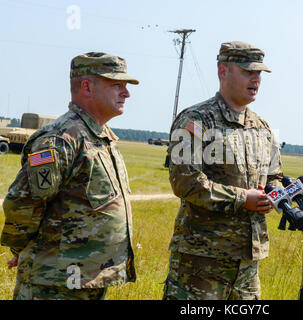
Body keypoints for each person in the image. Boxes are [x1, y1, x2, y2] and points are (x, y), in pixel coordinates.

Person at [1, 52, 139, 300]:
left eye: (126, 86)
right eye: (116, 85)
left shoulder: (100, 136)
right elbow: (22, 202)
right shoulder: (61, 138)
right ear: (87, 87)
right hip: (55, 284)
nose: (126, 93)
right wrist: (21, 247)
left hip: (86, 280)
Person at [163, 41, 283, 300]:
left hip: (248, 264)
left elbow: (274, 176)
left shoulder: (262, 128)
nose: (255, 79)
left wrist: (275, 194)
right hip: (202, 261)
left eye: (259, 73)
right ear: (223, 71)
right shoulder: (195, 120)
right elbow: (185, 182)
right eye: (247, 72)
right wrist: (244, 200)